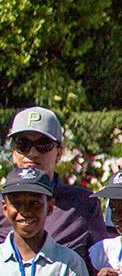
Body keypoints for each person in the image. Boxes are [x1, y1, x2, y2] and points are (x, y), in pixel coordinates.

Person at [6, 107, 109, 257]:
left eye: (43, 145)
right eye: (23, 145)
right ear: (14, 152)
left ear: (59, 152)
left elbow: (100, 264)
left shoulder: (82, 204)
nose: (32, 153)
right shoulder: (2, 204)